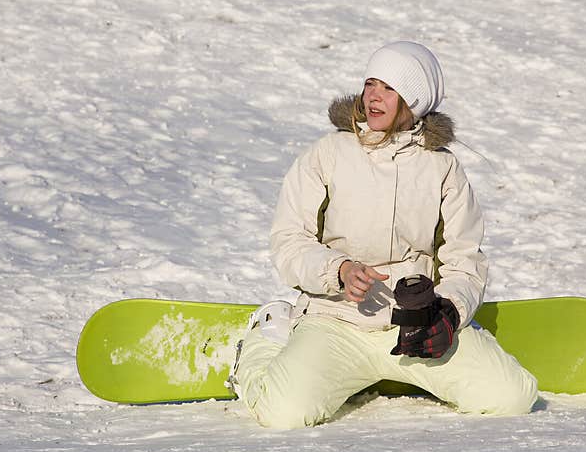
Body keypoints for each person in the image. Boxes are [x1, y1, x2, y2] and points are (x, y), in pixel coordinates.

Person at [226, 40, 538, 429]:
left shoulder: (442, 168)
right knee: (284, 413)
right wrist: (337, 270)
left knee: (511, 396)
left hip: (413, 325)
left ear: (415, 100)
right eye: (370, 83)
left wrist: (450, 312)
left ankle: (407, 371)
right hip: (336, 319)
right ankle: (266, 337)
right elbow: (290, 239)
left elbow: (464, 258)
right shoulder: (329, 154)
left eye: (389, 88)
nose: (373, 96)